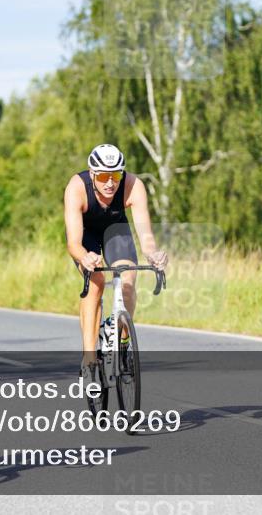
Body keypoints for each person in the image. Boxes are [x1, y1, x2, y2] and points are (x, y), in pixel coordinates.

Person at [63, 144, 167, 381]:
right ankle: (89, 358)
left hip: (115, 230)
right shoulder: (76, 188)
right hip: (85, 236)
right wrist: (84, 257)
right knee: (97, 281)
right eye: (103, 176)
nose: (110, 183)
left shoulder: (133, 186)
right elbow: (73, 243)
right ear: (92, 174)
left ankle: (122, 341)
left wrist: (153, 254)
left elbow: (146, 236)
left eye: (116, 175)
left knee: (128, 279)